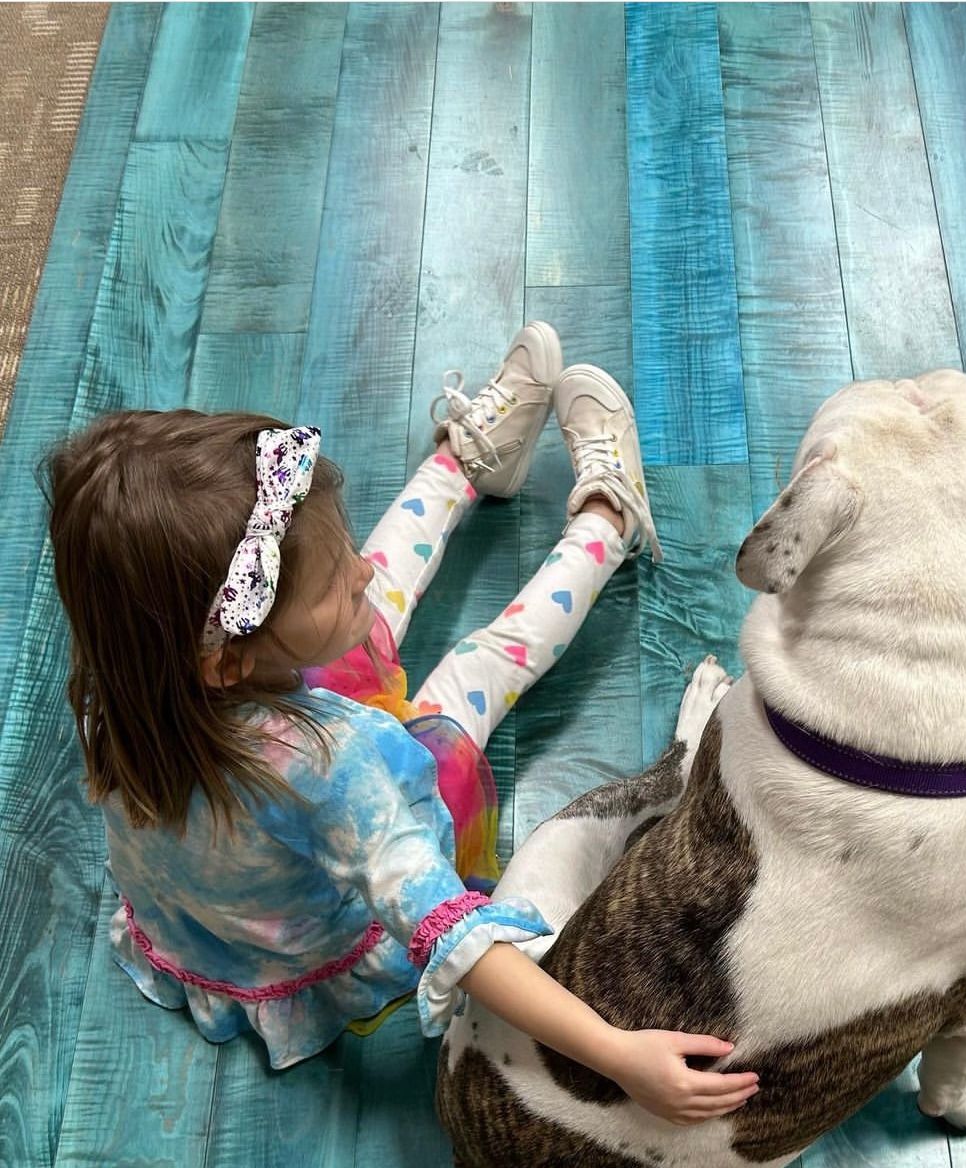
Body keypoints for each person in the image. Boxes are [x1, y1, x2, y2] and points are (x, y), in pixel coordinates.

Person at [46, 323, 759, 1123]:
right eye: (330, 587)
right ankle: (606, 524)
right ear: (232, 658)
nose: (357, 566)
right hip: (330, 906)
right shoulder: (333, 765)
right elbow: (456, 939)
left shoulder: (133, 673)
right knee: (477, 670)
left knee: (374, 596)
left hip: (218, 922)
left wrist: (322, 600)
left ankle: (467, 466)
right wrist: (617, 1051)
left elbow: (322, 586)